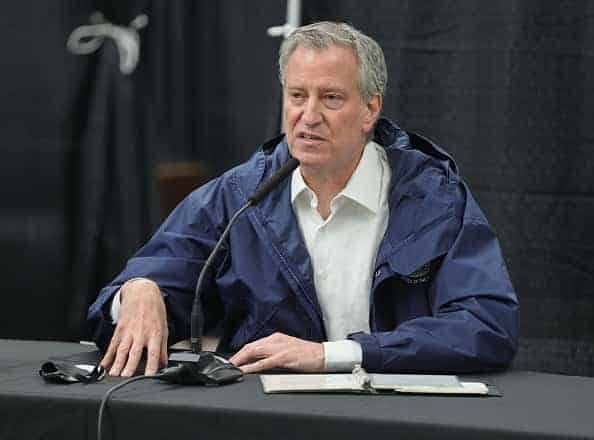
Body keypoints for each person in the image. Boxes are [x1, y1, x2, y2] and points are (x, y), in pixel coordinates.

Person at [88, 21, 519, 378]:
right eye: (297, 96)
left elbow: (487, 325)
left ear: (370, 109)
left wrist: (332, 355)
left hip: (402, 415)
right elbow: (136, 297)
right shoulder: (240, 196)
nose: (309, 116)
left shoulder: (433, 197)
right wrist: (139, 291)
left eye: (330, 97)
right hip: (270, 419)